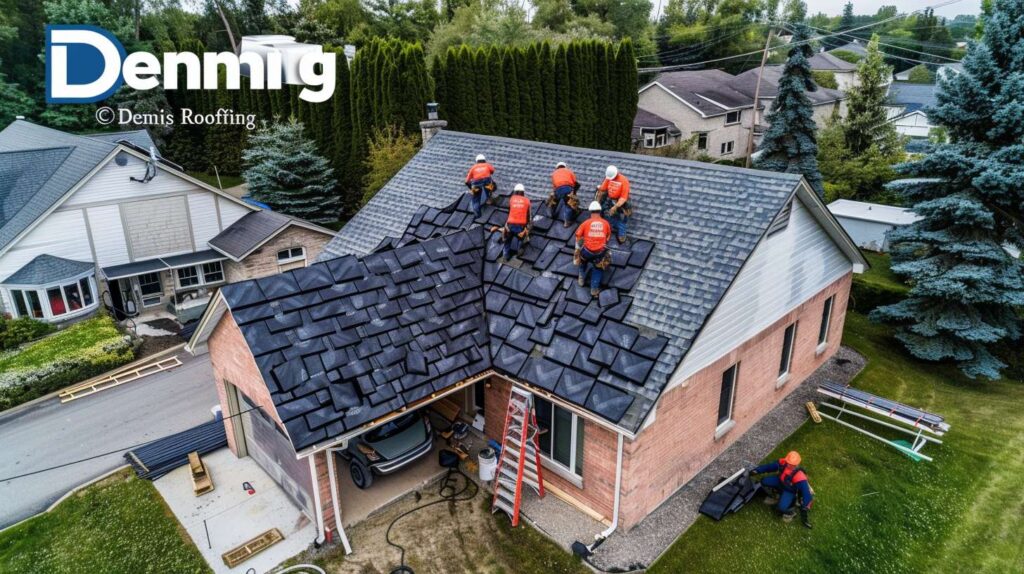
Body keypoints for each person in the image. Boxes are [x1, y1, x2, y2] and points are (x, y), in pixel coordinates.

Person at [750, 451, 814, 529]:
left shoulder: (800, 477)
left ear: (797, 464)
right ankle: (775, 497)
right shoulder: (783, 463)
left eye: (792, 465)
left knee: (781, 508)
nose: (790, 465)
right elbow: (769, 467)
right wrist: (757, 470)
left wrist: (805, 506)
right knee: (764, 481)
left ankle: (791, 513)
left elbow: (807, 495)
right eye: (789, 463)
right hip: (780, 482)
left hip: (789, 491)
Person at [574, 202, 612, 297]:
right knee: (598, 268)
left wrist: (577, 250)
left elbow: (578, 236)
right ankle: (594, 290)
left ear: (590, 212)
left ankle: (581, 279)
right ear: (600, 211)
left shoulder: (586, 223)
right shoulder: (605, 223)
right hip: (599, 253)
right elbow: (607, 237)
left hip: (587, 251)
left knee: (582, 262)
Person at [595, 165, 631, 243]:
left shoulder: (624, 181)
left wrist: (615, 207)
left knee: (621, 220)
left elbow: (623, 198)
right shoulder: (608, 178)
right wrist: (597, 202)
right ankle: (606, 224)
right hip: (612, 200)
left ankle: (622, 233)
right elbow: (602, 190)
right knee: (607, 213)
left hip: (622, 203)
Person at [497, 183, 531, 262]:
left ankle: (505, 256)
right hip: (520, 225)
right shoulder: (527, 201)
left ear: (515, 191)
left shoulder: (511, 199)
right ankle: (519, 252)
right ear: (523, 192)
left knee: (507, 240)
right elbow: (528, 215)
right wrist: (527, 227)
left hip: (510, 224)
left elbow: (510, 210)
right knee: (521, 239)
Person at [550, 161, 580, 227]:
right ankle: (567, 222)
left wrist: (555, 195)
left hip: (558, 190)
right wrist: (574, 193)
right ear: (565, 166)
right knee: (568, 204)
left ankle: (552, 214)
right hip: (568, 189)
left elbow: (554, 187)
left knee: (554, 202)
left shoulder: (554, 173)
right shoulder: (569, 171)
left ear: (557, 167)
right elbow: (576, 183)